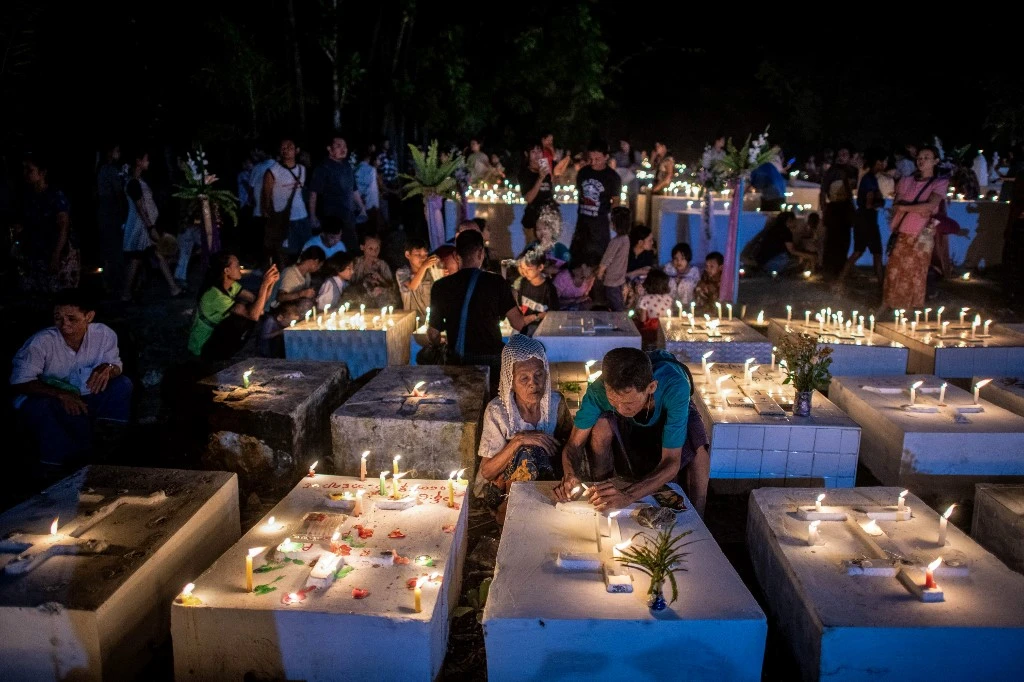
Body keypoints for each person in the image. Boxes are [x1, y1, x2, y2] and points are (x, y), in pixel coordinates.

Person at [553, 347, 710, 516]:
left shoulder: (676, 386)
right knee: (600, 426)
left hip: (667, 407)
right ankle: (602, 489)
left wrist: (628, 495)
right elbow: (574, 444)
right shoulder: (597, 391)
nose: (620, 409)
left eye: (628, 403)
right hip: (635, 410)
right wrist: (570, 475)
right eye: (613, 400)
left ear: (651, 387)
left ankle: (697, 516)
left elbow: (671, 461)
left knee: (698, 445)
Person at [11, 289, 132, 470]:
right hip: (49, 399)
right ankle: (53, 466)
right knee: (41, 410)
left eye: (71, 318)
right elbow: (20, 382)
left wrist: (107, 369)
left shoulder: (104, 334)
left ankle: (108, 445)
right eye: (58, 318)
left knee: (122, 385)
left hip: (85, 395)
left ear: (89, 316)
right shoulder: (41, 342)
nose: (64, 324)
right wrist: (61, 394)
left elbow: (115, 365)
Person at [476, 334, 572, 524]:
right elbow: (487, 472)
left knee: (536, 453)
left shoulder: (556, 404)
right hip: (502, 489)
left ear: (546, 373)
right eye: (524, 378)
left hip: (546, 480)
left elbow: (570, 447)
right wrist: (519, 440)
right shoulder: (498, 411)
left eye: (538, 375)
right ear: (510, 381)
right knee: (526, 452)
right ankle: (509, 511)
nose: (533, 384)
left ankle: (538, 511)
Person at [426, 230, 527, 375]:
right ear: (481, 253)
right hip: (492, 360)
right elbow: (518, 323)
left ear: (456, 255)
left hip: (460, 361)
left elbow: (433, 333)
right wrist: (513, 298)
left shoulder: (441, 286)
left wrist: (440, 342)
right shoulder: (496, 282)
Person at [882, 145, 949, 310]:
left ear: (936, 161)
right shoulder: (906, 181)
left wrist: (906, 207)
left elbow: (930, 205)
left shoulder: (940, 183)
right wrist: (918, 208)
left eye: (927, 157)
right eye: (920, 157)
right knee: (894, 271)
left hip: (922, 235)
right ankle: (890, 306)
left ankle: (909, 309)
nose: (922, 160)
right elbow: (897, 204)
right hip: (903, 231)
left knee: (914, 274)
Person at [187, 253, 279, 361]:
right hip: (203, 343)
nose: (240, 268)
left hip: (216, 334)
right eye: (236, 265)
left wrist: (271, 283)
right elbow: (253, 315)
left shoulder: (231, 285)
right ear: (226, 271)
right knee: (243, 318)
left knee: (248, 313)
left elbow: (258, 302)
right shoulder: (215, 295)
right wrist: (264, 284)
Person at [13, 154, 80, 294]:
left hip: (56, 254)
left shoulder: (55, 196)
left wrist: (56, 255)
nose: (25, 174)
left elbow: (63, 227)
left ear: (42, 173)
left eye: (29, 170)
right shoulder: (28, 196)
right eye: (24, 169)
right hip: (35, 253)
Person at [121, 149, 181, 301]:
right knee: (137, 259)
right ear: (138, 162)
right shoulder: (134, 183)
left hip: (143, 227)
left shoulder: (138, 182)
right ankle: (126, 293)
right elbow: (141, 208)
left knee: (155, 255)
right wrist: (150, 227)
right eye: (146, 159)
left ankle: (173, 288)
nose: (148, 162)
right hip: (140, 228)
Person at [836, 150, 887, 290]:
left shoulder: (869, 178)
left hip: (863, 219)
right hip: (868, 220)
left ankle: (840, 280)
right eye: (883, 161)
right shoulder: (870, 179)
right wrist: (879, 203)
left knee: (859, 251)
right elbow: (870, 203)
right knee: (874, 253)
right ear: (878, 162)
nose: (885, 164)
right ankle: (881, 286)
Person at [309, 135, 365, 254]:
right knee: (334, 251)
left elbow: (353, 189)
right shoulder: (323, 168)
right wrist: (313, 216)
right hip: (331, 219)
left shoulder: (347, 165)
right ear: (329, 149)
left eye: (345, 146)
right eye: (338, 146)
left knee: (351, 249)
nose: (343, 149)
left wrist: (362, 208)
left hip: (348, 217)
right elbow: (313, 193)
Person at [571, 141, 622, 263]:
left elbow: (615, 201)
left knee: (598, 257)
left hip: (600, 223)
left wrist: (614, 219)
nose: (593, 162)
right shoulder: (583, 173)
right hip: (582, 222)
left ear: (606, 157)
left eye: (597, 159)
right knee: (578, 257)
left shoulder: (612, 177)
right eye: (591, 158)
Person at [261, 137, 310, 262]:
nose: (286, 150)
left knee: (304, 249)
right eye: (283, 147)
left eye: (290, 147)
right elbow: (266, 193)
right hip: (284, 217)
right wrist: (267, 210)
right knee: (285, 251)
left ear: (296, 150)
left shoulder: (302, 169)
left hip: (302, 216)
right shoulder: (273, 171)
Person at [819, 145, 858, 280]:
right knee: (832, 240)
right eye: (840, 154)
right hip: (835, 207)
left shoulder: (853, 171)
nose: (842, 157)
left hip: (846, 208)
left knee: (844, 240)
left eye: (845, 154)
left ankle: (840, 268)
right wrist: (824, 208)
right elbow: (823, 191)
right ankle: (829, 270)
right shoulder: (832, 171)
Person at [96, 143, 125, 293]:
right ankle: (111, 284)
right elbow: (118, 192)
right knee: (113, 249)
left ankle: (107, 283)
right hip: (110, 212)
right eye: (117, 150)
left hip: (104, 212)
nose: (119, 154)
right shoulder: (109, 170)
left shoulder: (101, 169)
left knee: (108, 250)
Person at [512, 247, 559, 335]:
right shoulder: (524, 282)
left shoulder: (549, 288)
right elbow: (521, 305)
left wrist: (533, 317)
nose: (525, 273)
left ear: (540, 267)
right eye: (523, 268)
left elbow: (553, 313)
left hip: (541, 328)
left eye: (529, 269)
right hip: (525, 326)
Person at [597, 206, 632, 311]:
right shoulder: (626, 239)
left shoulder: (615, 241)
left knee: (616, 309)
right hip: (620, 279)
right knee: (618, 306)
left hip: (611, 281)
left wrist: (600, 274)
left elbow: (606, 260)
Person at [521, 143, 558, 238]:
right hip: (533, 221)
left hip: (549, 220)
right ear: (526, 154)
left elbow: (549, 192)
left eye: (539, 151)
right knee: (534, 250)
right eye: (533, 152)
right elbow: (529, 198)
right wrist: (540, 178)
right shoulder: (525, 173)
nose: (537, 154)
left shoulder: (546, 172)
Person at [350, 233, 397, 308]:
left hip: (380, 303)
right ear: (362, 247)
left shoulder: (383, 265)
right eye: (370, 248)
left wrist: (380, 278)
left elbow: (391, 286)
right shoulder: (356, 263)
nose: (374, 252)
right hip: (359, 301)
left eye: (377, 249)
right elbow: (350, 284)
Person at [395, 237, 437, 319]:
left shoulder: (432, 272)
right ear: (407, 255)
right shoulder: (402, 272)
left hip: (430, 320)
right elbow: (412, 286)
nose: (422, 258)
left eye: (425, 255)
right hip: (411, 321)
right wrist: (424, 267)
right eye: (418, 254)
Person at [635, 268, 673, 347]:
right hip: (666, 329)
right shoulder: (669, 298)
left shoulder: (644, 298)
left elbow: (643, 319)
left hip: (650, 331)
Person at [355, 147, 382, 233]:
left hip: (359, 203)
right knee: (371, 229)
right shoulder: (371, 170)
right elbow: (366, 187)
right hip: (370, 204)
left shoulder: (356, 168)